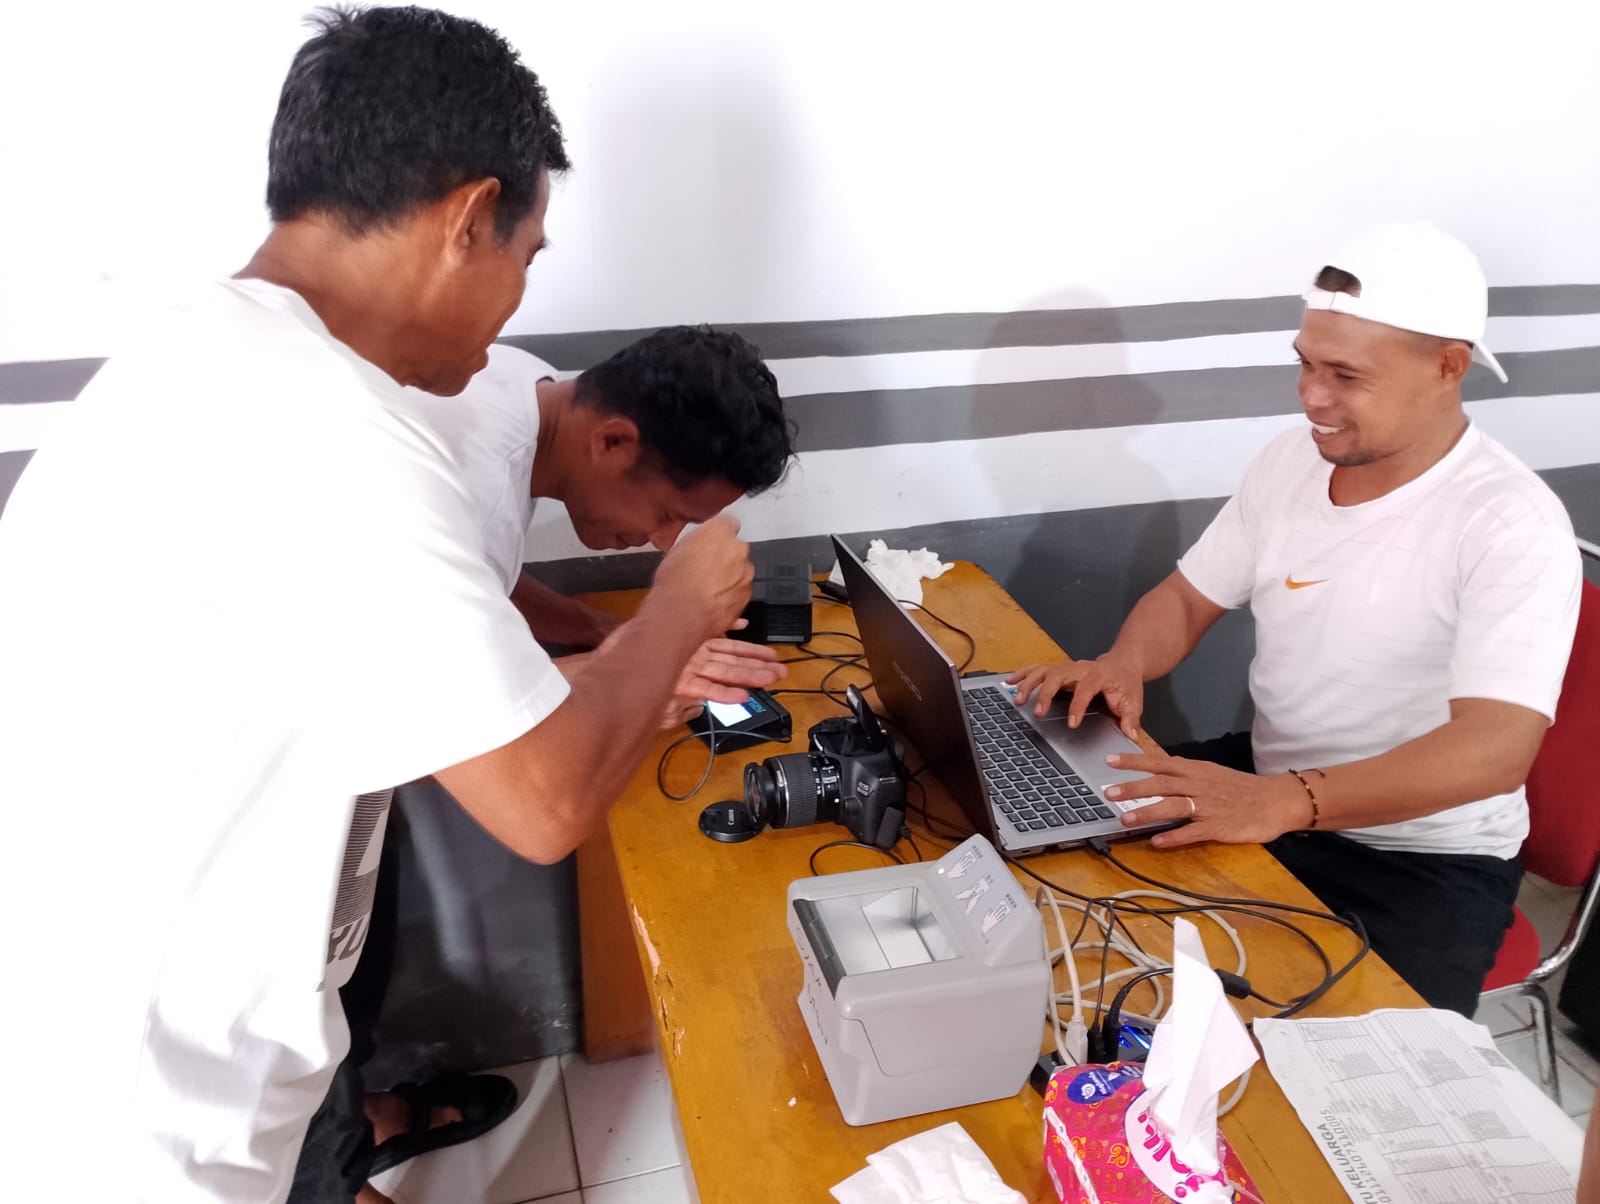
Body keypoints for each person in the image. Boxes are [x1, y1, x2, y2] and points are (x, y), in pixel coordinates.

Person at [0, 9, 756, 1203]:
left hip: (117, 1034)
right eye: (527, 255)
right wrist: (677, 605)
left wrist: (615, 646)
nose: (512, 310)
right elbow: (546, 802)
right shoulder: (340, 434)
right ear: (468, 218)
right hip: (154, 1109)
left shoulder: (213, 353)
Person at [1008, 222, 1582, 1016]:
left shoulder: (1510, 523)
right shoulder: (1291, 459)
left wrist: (1283, 802)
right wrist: (1123, 663)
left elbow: (1494, 751)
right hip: (1270, 783)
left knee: (1343, 1066)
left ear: (1448, 366)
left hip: (1420, 858)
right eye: (1306, 363)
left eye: (1346, 375)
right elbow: (1186, 598)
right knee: (1048, 874)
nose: (1313, 395)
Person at [395, 326, 797, 729]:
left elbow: (476, 580)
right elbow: (424, 713)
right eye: (667, 514)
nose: (663, 542)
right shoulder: (474, 500)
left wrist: (608, 632)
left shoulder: (521, 377)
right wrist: (628, 680)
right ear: (613, 441)